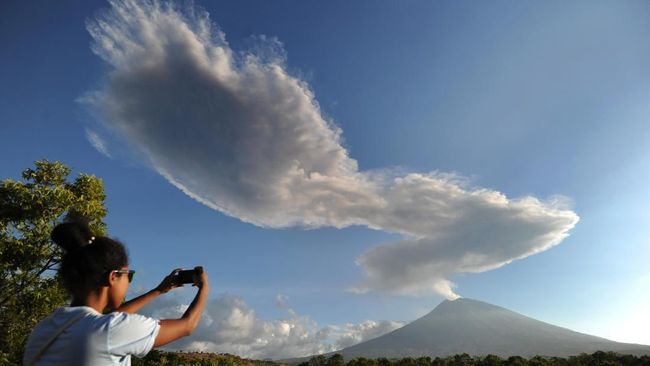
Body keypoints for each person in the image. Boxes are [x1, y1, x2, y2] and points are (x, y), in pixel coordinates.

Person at [23, 220, 209, 365]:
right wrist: (204, 288)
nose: (128, 282)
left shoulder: (44, 329)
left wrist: (158, 291)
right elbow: (187, 326)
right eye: (129, 275)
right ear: (113, 277)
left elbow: (108, 318)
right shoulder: (110, 332)